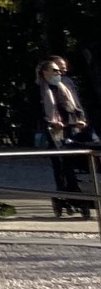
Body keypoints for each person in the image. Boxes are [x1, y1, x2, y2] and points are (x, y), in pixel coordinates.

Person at [39, 55, 94, 219]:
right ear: (46, 71)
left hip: (70, 127)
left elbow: (75, 103)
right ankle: (65, 192)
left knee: (72, 161)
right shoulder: (42, 88)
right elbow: (41, 109)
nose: (60, 72)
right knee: (60, 164)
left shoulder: (66, 83)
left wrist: (81, 119)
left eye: (62, 69)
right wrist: (51, 122)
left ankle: (76, 193)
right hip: (54, 130)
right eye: (56, 69)